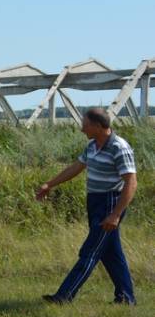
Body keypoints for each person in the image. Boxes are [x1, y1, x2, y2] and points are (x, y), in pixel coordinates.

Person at [35, 107, 137, 305]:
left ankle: (64, 296)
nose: (82, 129)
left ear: (99, 126)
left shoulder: (119, 147)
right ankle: (126, 298)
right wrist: (50, 184)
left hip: (110, 203)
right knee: (111, 253)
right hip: (95, 202)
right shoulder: (92, 145)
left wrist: (116, 215)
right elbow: (76, 167)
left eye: (85, 125)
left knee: (90, 252)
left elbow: (131, 183)